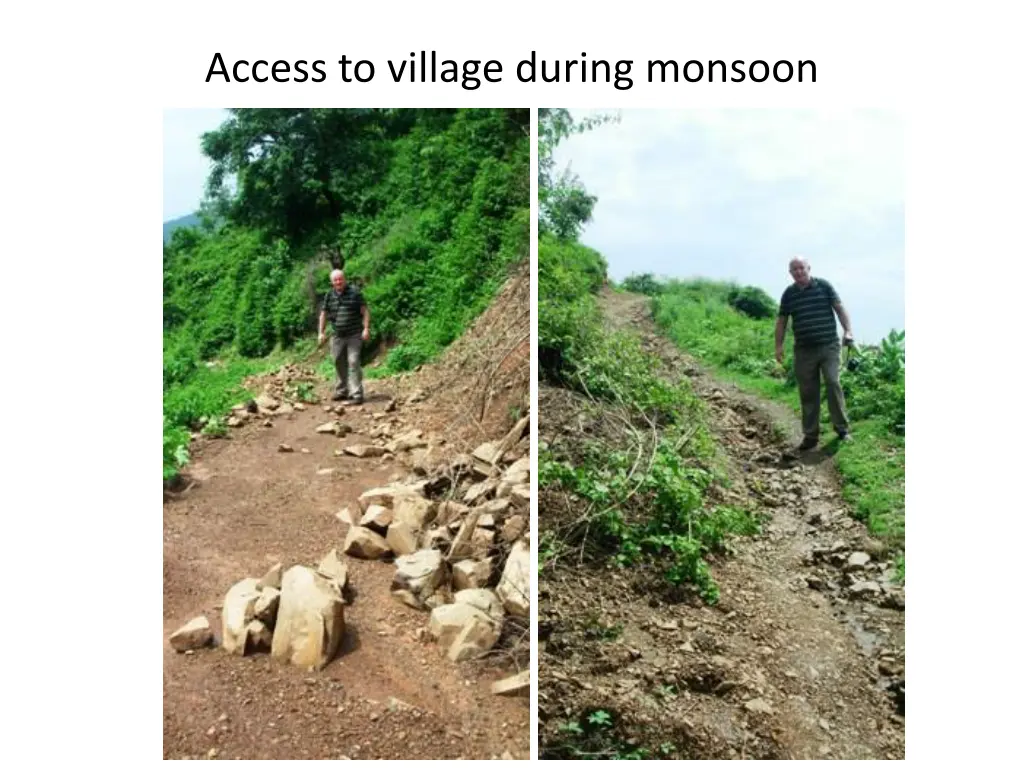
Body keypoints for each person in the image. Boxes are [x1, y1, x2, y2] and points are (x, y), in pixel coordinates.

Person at [774, 257, 853, 450]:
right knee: (808, 391)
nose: (799, 271)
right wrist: (778, 346)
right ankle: (811, 436)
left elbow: (840, 309)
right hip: (803, 350)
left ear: (809, 268)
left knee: (833, 382)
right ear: (790, 273)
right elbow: (782, 321)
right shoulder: (789, 294)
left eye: (801, 268)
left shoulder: (824, 286)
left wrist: (848, 331)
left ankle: (842, 429)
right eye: (794, 269)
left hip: (829, 346)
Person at [318, 269, 370, 404]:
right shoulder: (329, 295)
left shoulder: (355, 293)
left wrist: (366, 329)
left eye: (340, 279)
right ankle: (342, 391)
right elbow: (323, 314)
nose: (338, 282)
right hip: (337, 336)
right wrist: (321, 332)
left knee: (353, 361)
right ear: (332, 282)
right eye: (335, 280)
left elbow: (365, 311)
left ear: (344, 279)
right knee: (338, 361)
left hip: (354, 334)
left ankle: (357, 394)